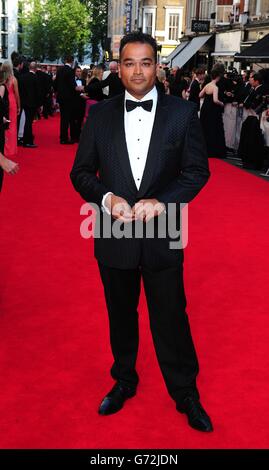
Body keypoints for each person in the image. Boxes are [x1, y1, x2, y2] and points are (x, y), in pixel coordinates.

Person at [70, 32, 212, 432]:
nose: (136, 71)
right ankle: (124, 380)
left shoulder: (182, 114)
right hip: (113, 232)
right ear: (118, 66)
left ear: (157, 65)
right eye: (129, 63)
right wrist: (106, 197)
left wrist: (162, 202)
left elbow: (198, 172)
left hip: (163, 230)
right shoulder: (99, 115)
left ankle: (185, 392)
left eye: (145, 62)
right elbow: (80, 172)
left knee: (171, 315)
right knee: (121, 314)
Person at [199, 70, 226, 159]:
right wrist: (221, 103)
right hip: (212, 110)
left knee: (204, 128)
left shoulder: (207, 85)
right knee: (213, 129)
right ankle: (212, 150)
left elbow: (200, 95)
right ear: (218, 77)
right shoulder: (215, 87)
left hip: (205, 108)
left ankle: (203, 149)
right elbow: (215, 100)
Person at [2, 61, 20, 159]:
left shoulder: (1, 80)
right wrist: (19, 106)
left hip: (3, 102)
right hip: (12, 102)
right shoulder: (14, 79)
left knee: (4, 124)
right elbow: (17, 94)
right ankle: (11, 149)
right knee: (12, 125)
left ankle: (4, 147)